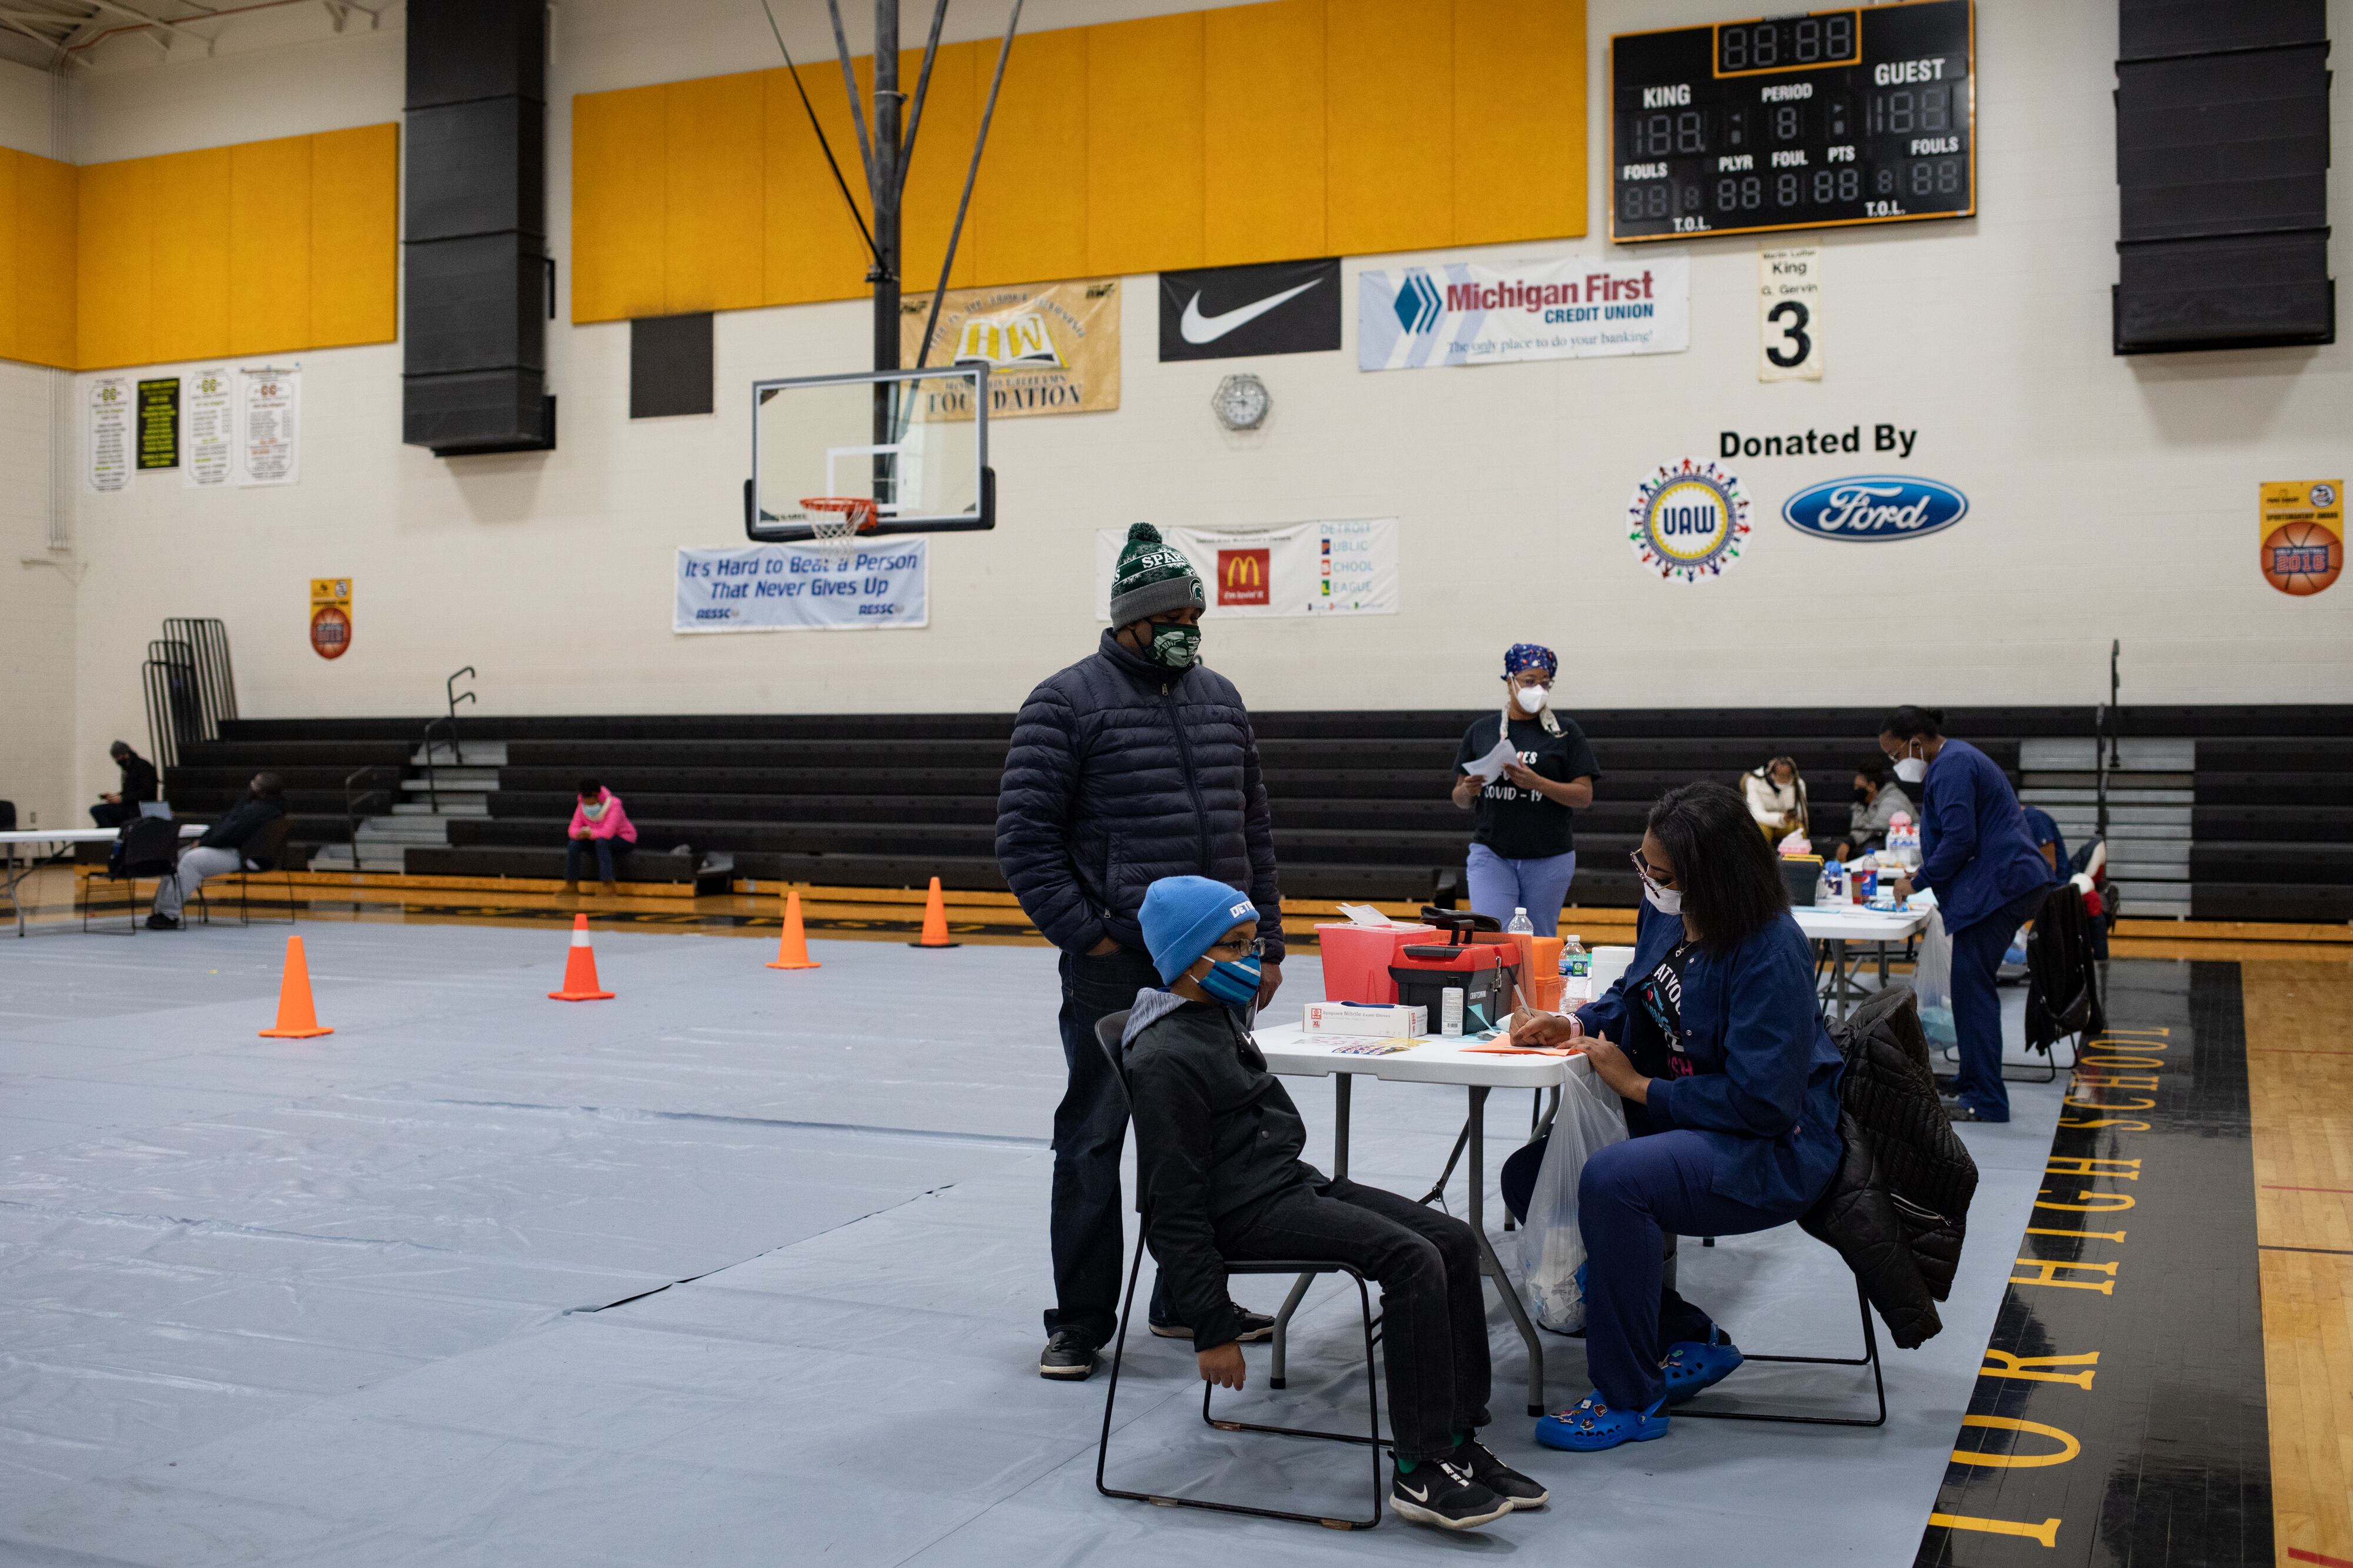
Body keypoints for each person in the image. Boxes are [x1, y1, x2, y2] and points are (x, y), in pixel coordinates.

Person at [1126, 876, 1548, 1532]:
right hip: (1240, 1212)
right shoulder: (1163, 1057)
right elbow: (1171, 1204)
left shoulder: (1213, 1017)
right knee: (1410, 1260)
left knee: (1453, 1240)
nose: (1251, 960)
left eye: (1251, 942)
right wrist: (1211, 1324)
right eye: (1233, 947)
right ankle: (1420, 1466)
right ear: (1187, 957)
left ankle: (1457, 1436)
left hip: (1284, 1180)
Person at [997, 523, 1285, 1382]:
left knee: (1211, 1136)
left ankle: (1189, 1298)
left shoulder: (1222, 697)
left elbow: (1254, 827)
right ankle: (1081, 1320)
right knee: (1094, 1134)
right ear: (1127, 619)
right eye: (1168, 611)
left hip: (1219, 964)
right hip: (1117, 964)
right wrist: (1092, 932)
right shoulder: (1065, 703)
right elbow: (1024, 839)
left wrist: (1263, 940)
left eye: (1195, 609)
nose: (1185, 625)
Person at [1505, 782, 1844, 1454]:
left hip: (1771, 1145)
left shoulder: (1770, 949)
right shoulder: (1669, 914)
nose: (1650, 882)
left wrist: (1640, 1087)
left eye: (1663, 874)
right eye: (1645, 865)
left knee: (1611, 1180)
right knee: (1531, 1176)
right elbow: (1636, 995)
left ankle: (1629, 1396)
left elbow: (1764, 1102)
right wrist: (1574, 1022)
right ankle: (1687, 1334)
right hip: (1688, 1116)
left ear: (1712, 878)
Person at [1879, 706, 2056, 1124]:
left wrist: (1918, 881)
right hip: (2001, 884)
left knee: (1973, 995)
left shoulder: (1952, 766)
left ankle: (1988, 1099)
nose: (1894, 763)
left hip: (2001, 888)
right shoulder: (1956, 759)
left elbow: (1961, 838)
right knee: (1968, 990)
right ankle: (1972, 1078)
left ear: (1916, 743)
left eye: (1894, 753)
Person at [1449, 644, 1601, 936]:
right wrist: (1469, 789)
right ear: (1510, 681)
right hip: (1492, 852)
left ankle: (1535, 985)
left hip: (1549, 856)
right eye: (1530, 681)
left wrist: (1538, 783)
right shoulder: (1482, 730)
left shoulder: (1565, 731)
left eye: (1546, 682)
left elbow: (1584, 795)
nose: (1539, 689)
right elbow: (1459, 798)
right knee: (1492, 935)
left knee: (1539, 939)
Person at [146, 772, 286, 930]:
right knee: (175, 857)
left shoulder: (257, 810)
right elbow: (228, 825)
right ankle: (159, 910)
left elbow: (229, 833)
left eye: (254, 783)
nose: (251, 784)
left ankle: (168, 914)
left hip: (242, 855)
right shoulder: (262, 806)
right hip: (237, 850)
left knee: (192, 860)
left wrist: (202, 843)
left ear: (261, 791)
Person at [1821, 762, 1914, 863]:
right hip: (1892, 852)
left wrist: (1850, 842)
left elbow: (1877, 828)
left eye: (1858, 787)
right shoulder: (1869, 802)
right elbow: (1858, 829)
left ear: (1871, 786)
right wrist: (1859, 806)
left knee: (1868, 849)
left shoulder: (1893, 800)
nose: (1855, 790)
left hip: (1908, 852)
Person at [565, 779, 637, 895]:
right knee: (574, 844)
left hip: (623, 839)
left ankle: (608, 884)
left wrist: (590, 834)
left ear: (597, 796)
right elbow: (573, 828)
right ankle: (571, 884)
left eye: (590, 799)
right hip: (596, 838)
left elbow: (608, 832)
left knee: (602, 842)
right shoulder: (581, 805)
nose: (588, 803)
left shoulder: (614, 804)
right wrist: (579, 834)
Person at [1739, 754, 1808, 845]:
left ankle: (1798, 858)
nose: (1785, 779)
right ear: (1771, 774)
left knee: (1799, 831)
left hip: (1786, 823)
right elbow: (1756, 814)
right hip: (1763, 823)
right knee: (1759, 833)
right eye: (1781, 776)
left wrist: (1789, 789)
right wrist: (1781, 818)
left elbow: (1800, 814)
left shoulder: (1798, 783)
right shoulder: (1754, 780)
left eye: (1787, 776)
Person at [91, 741, 161, 829]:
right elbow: (130, 790)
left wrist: (123, 798)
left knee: (97, 811)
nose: (117, 761)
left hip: (138, 808)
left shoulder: (143, 766)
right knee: (100, 824)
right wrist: (116, 796)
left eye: (118, 757)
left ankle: (115, 837)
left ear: (126, 754)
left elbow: (147, 792)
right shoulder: (128, 769)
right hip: (130, 806)